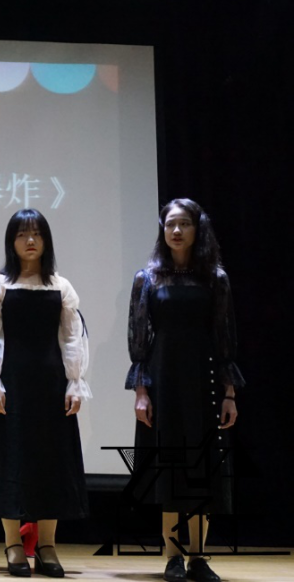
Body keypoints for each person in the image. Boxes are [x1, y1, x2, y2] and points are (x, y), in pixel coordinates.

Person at [126, 198, 242, 582]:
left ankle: (199, 557)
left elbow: (224, 338)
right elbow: (139, 340)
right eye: (170, 224)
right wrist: (141, 391)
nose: (176, 231)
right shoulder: (148, 278)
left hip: (203, 380)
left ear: (197, 229)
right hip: (163, 380)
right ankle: (173, 557)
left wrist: (229, 393)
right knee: (170, 468)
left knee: (201, 468)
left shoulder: (215, 278)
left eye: (184, 224)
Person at [0, 209, 90, 578]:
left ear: (46, 240)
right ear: (11, 241)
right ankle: (12, 545)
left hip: (52, 385)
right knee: (11, 461)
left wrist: (75, 382)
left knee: (51, 463)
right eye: (22, 234)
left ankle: (47, 546)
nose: (30, 240)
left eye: (37, 233)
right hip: (11, 385)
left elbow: (73, 337)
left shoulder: (61, 286)